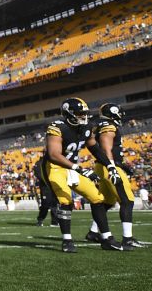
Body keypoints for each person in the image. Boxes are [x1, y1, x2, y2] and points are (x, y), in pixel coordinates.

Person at [42, 97, 121, 253]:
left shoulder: (87, 127)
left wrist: (110, 166)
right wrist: (79, 168)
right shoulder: (57, 127)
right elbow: (54, 155)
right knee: (66, 200)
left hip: (73, 168)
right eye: (79, 113)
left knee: (97, 198)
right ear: (68, 113)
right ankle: (67, 240)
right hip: (55, 167)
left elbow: (95, 148)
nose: (83, 116)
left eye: (84, 113)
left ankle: (106, 238)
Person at [86, 103, 146, 249]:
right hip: (108, 166)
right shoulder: (108, 126)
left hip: (102, 166)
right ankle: (128, 238)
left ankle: (93, 232)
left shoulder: (100, 124)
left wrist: (122, 165)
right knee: (127, 200)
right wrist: (112, 166)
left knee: (107, 202)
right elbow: (107, 147)